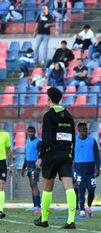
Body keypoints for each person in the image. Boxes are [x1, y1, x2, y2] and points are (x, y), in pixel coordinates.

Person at [34, 87, 76, 229]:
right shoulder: (69, 116)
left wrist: (40, 156)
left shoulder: (49, 116)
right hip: (66, 155)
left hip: (51, 155)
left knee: (47, 188)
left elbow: (46, 139)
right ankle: (71, 221)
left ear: (49, 98)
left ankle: (44, 220)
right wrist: (72, 156)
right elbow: (72, 140)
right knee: (69, 187)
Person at [74, 122, 100, 218]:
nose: (86, 131)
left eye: (86, 129)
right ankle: (81, 211)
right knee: (81, 189)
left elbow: (97, 155)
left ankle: (88, 206)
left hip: (90, 169)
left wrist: (97, 168)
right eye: (84, 129)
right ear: (79, 130)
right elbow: (70, 153)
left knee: (92, 189)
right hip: (79, 168)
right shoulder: (74, 140)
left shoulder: (92, 141)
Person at [21, 126, 42, 213]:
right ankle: (34, 205)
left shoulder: (38, 142)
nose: (30, 133)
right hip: (29, 164)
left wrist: (37, 168)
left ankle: (38, 205)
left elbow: (40, 155)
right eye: (29, 132)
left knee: (34, 184)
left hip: (34, 165)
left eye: (32, 132)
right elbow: (27, 155)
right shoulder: (28, 141)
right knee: (31, 185)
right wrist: (23, 168)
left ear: (35, 132)